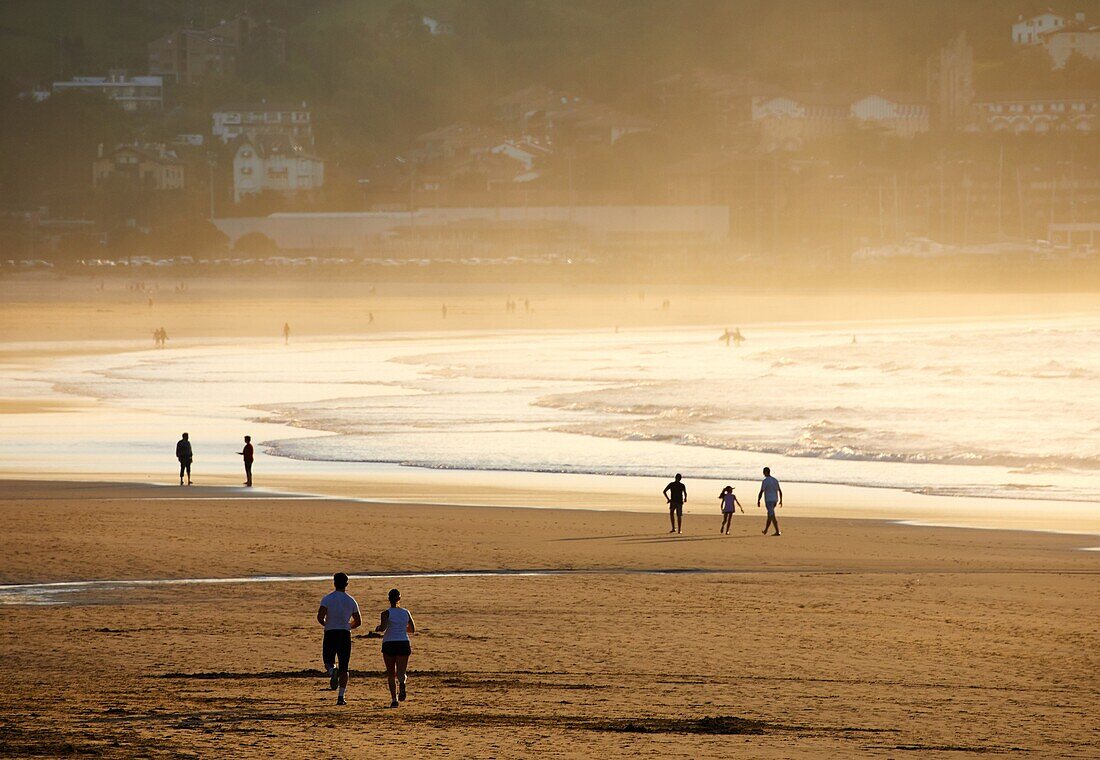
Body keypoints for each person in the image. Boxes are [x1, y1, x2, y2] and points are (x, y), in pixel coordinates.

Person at [317, 572, 362, 706]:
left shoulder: (327, 599)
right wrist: (348, 626)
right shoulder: (351, 600)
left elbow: (320, 616)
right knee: (344, 667)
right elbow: (358, 621)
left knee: (328, 661)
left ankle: (332, 671)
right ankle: (341, 696)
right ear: (346, 584)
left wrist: (327, 624)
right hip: (344, 633)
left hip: (331, 632)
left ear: (334, 583)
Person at [376, 588, 415, 708]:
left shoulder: (386, 613)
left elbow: (383, 628)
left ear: (389, 599)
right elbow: (412, 629)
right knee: (401, 671)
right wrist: (402, 628)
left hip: (389, 643)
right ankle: (402, 682)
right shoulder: (406, 612)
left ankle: (394, 699)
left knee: (391, 673)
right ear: (399, 599)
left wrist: (378, 627)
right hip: (403, 642)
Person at [757, 467, 783, 536]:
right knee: (770, 515)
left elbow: (761, 491)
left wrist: (758, 500)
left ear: (765, 472)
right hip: (775, 500)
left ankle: (777, 531)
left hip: (769, 500)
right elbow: (780, 491)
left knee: (772, 515)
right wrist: (780, 500)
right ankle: (765, 530)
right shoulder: (775, 480)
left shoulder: (765, 481)